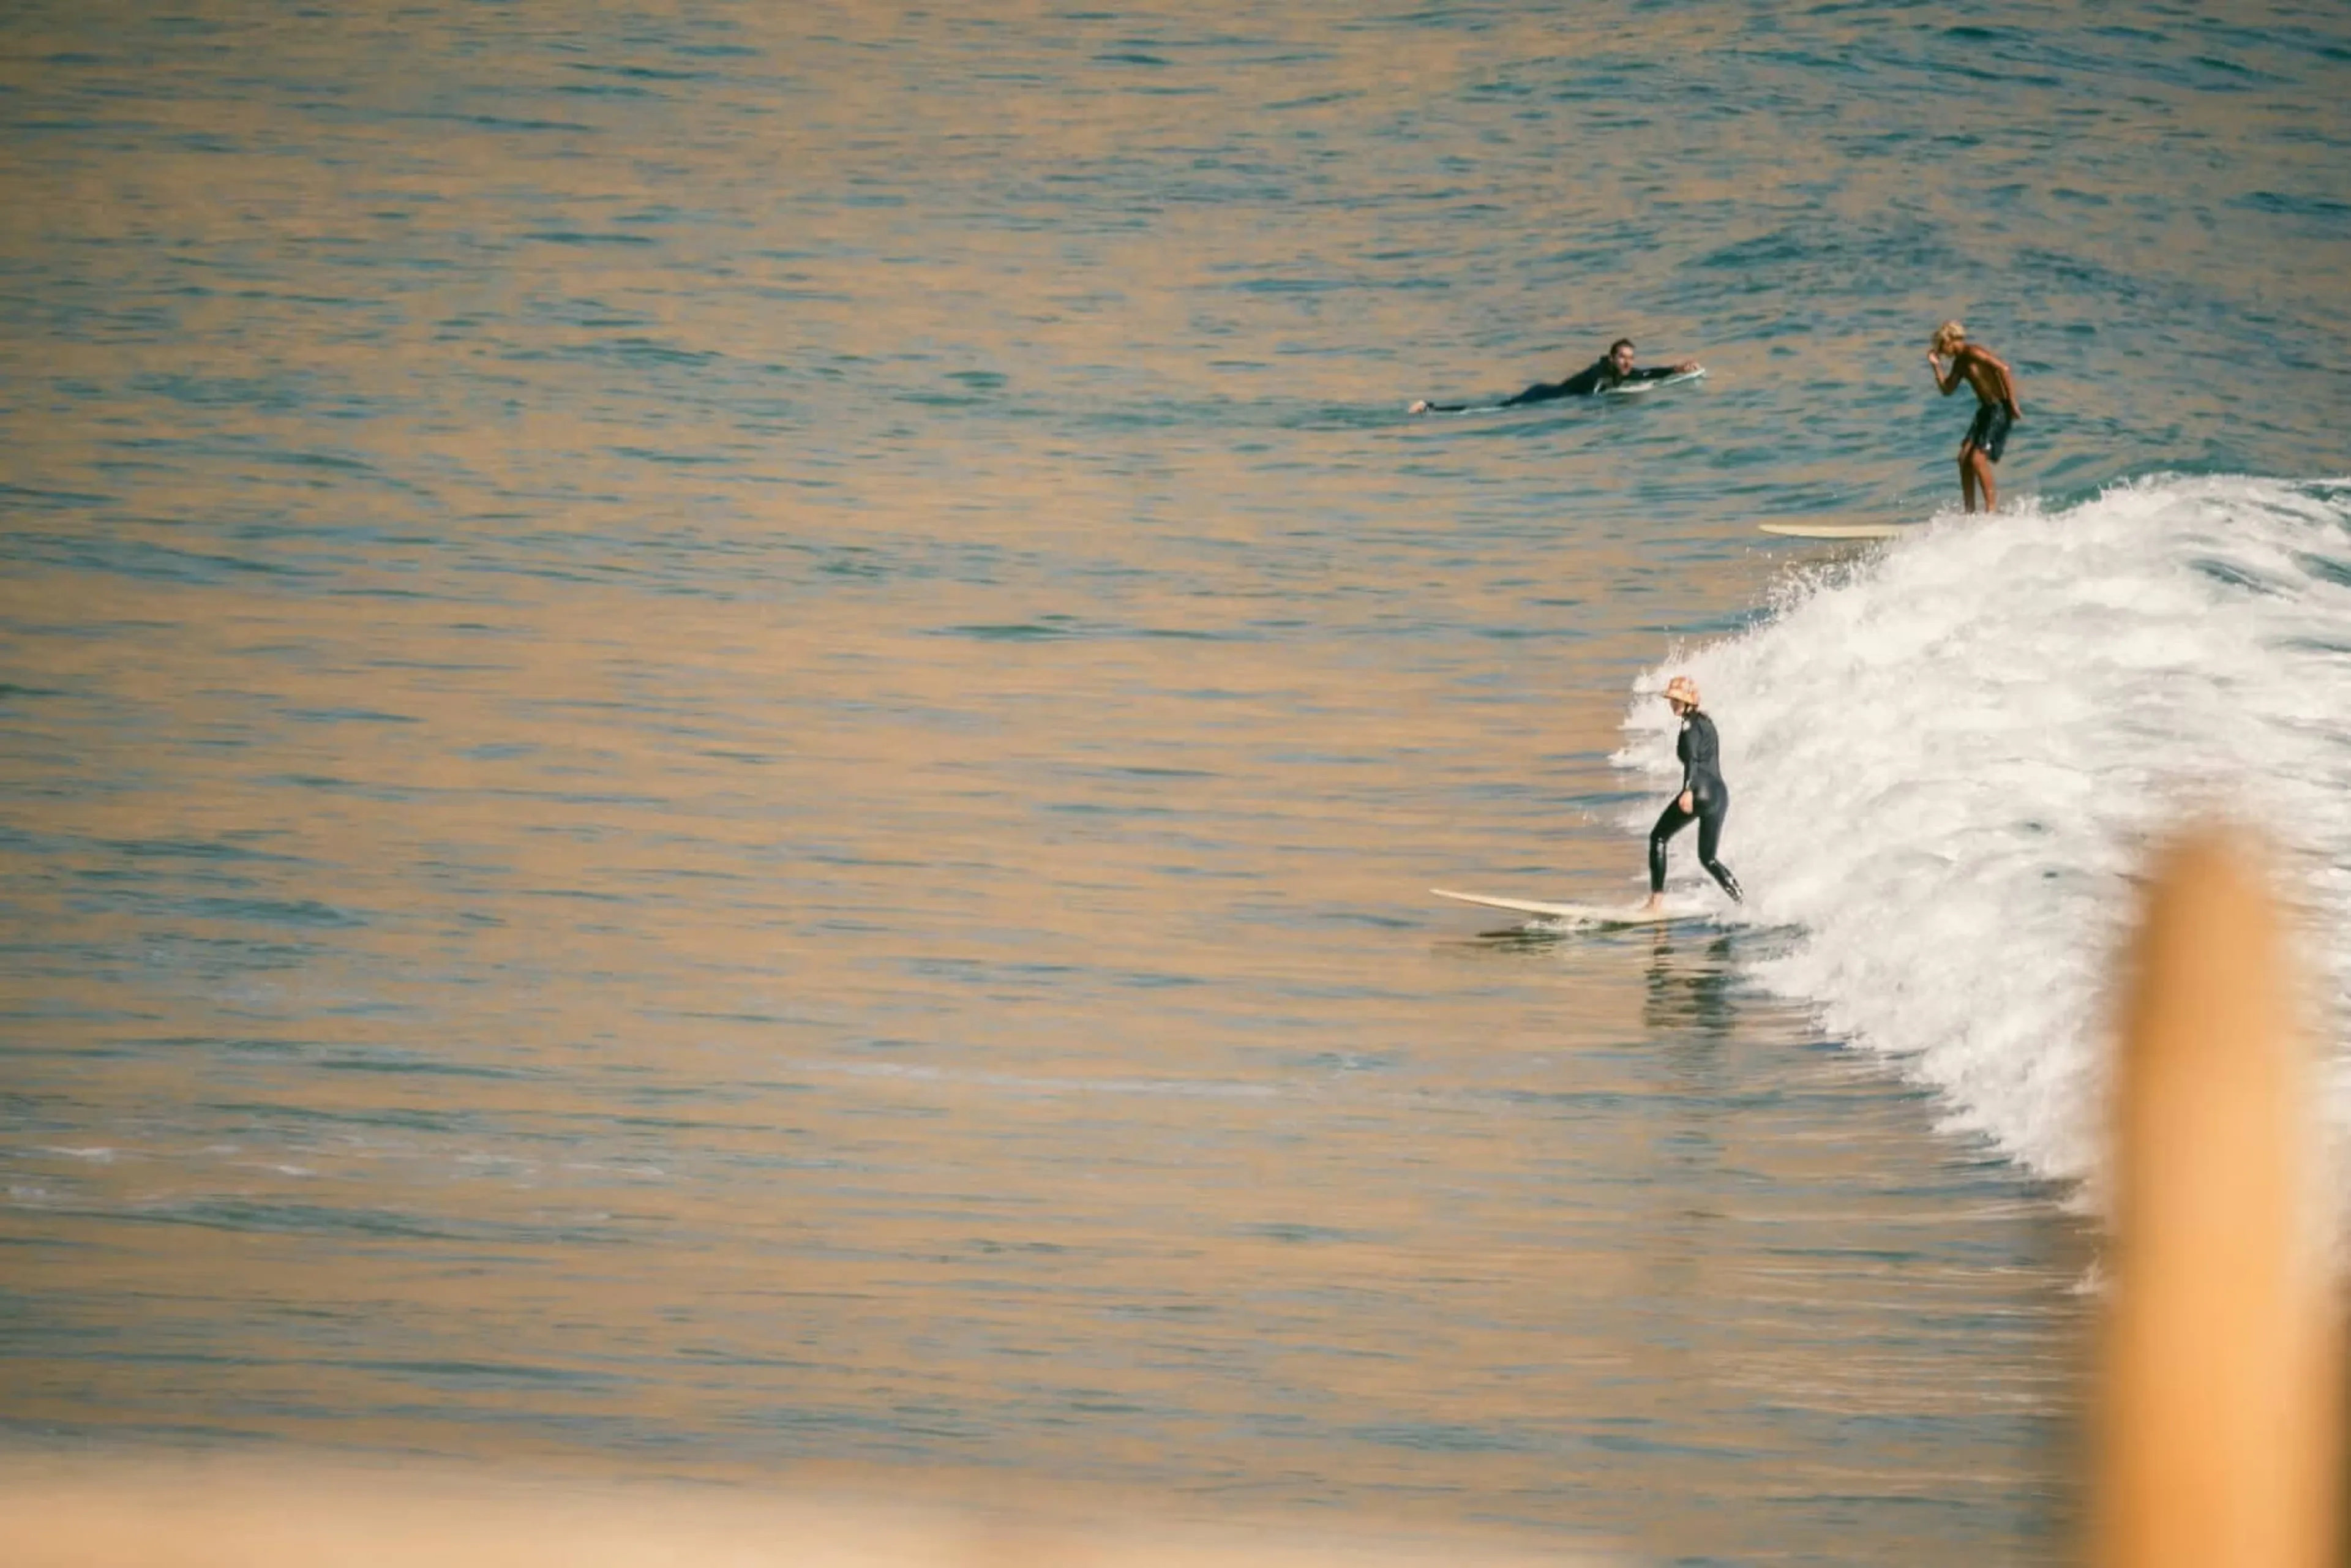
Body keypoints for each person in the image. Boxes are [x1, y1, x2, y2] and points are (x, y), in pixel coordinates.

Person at [1644, 675, 1742, 912]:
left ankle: (1655, 903)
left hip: (1699, 791)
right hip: (1719, 796)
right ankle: (1742, 902)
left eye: (1677, 700)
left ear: (1689, 703)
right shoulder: (1707, 724)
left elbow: (1692, 760)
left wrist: (1687, 790)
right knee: (1708, 859)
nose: (1673, 704)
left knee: (1658, 837)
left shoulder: (1689, 727)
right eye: (1672, 700)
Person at [1408, 338, 1700, 415]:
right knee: (1491, 409)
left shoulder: (1621, 373)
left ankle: (1430, 408)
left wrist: (1675, 369)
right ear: (1612, 358)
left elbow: (1646, 373)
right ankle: (1430, 408)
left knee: (1495, 408)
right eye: (1622, 357)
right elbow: (1594, 396)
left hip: (1551, 395)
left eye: (1630, 358)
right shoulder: (1600, 375)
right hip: (1544, 395)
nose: (1628, 363)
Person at [1926, 320, 2023, 512]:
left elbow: (2003, 368)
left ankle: (1991, 511)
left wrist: (2012, 402)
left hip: (1998, 409)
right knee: (1963, 458)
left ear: (1950, 340)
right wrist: (1936, 367)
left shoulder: (1973, 352)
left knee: (1977, 460)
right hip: (1985, 411)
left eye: (1940, 345)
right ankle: (1969, 511)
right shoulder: (1960, 363)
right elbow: (1947, 389)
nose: (1940, 350)